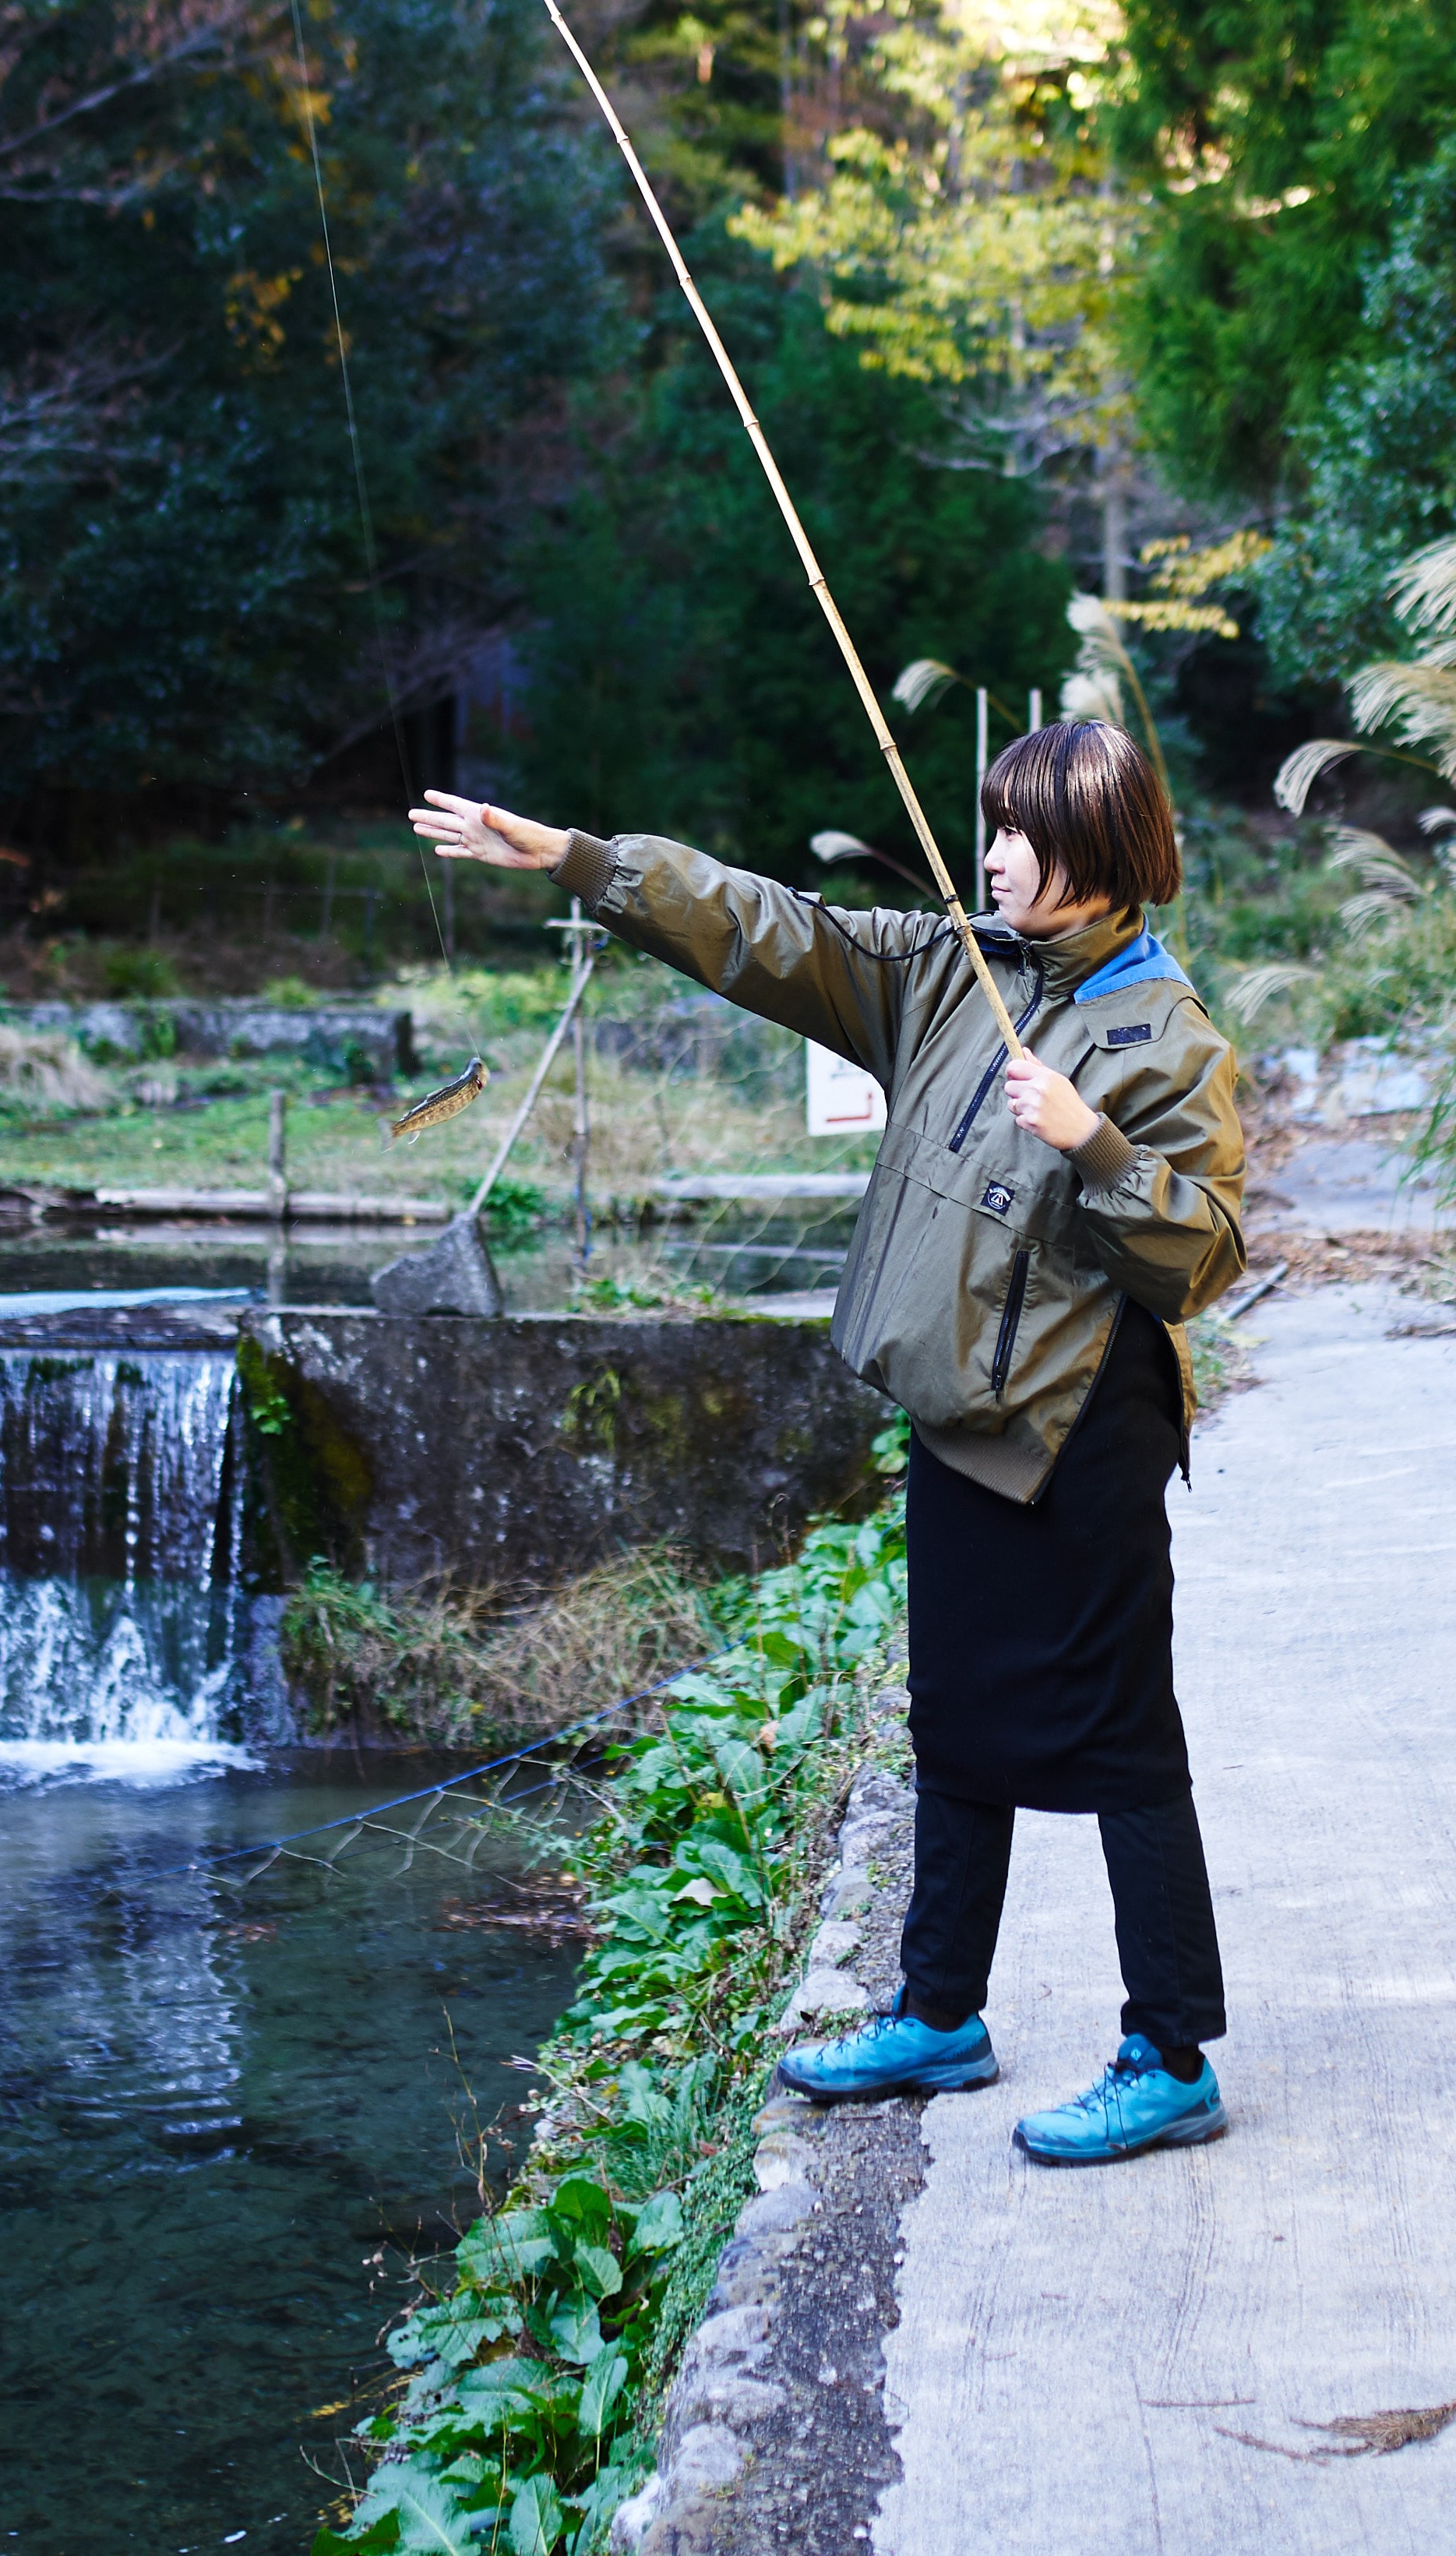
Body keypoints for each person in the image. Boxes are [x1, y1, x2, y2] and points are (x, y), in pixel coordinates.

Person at [407, 720, 1246, 2165]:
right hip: (956, 1414)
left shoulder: (1167, 1035)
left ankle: (1169, 2054)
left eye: (1020, 835)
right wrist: (584, 863)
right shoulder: (943, 975)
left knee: (1121, 1748)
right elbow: (763, 927)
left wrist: (1097, 1150)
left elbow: (1204, 1256)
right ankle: (940, 2016)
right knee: (956, 1728)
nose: (990, 854)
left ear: (1098, 854)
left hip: (1082, 1427)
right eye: (988, 827)